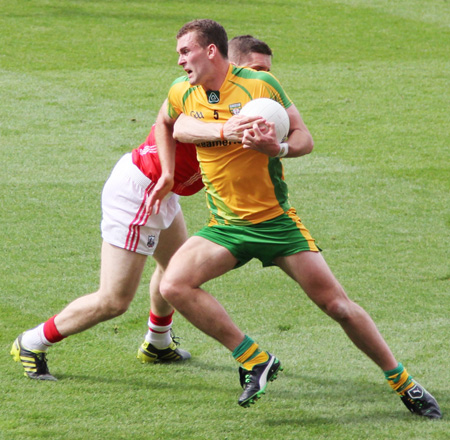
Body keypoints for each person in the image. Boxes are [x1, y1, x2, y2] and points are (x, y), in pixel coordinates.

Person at [147, 19, 442, 418]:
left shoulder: (260, 87)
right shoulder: (182, 91)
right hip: (227, 227)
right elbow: (171, 123)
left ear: (210, 51)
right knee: (174, 284)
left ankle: (404, 383)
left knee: (337, 306)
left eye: (186, 51)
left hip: (276, 224)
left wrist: (278, 147)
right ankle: (254, 359)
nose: (180, 59)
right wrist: (171, 171)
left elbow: (305, 138)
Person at [10, 36, 276, 381]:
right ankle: (31, 342)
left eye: (268, 71)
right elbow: (175, 124)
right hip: (141, 192)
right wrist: (174, 168)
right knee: (114, 300)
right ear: (232, 64)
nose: (265, 78)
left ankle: (157, 342)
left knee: (174, 269)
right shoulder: (200, 97)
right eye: (257, 69)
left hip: (162, 191)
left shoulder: (245, 99)